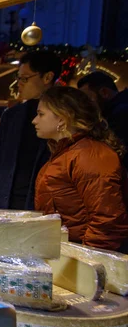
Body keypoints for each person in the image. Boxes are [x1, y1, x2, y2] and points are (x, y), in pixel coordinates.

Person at [33, 86, 128, 251]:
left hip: (84, 257)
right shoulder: (67, 152)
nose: (34, 120)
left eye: (41, 114)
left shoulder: (89, 155)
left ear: (63, 118)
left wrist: (87, 261)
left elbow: (107, 220)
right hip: (69, 252)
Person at [0, 51, 61, 210]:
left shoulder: (62, 115)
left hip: (42, 203)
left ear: (47, 77)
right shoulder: (12, 115)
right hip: (6, 199)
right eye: (18, 78)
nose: (18, 83)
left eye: (24, 78)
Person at [77, 71, 128, 168]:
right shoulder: (113, 111)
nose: (84, 105)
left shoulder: (121, 115)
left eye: (88, 99)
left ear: (104, 92)